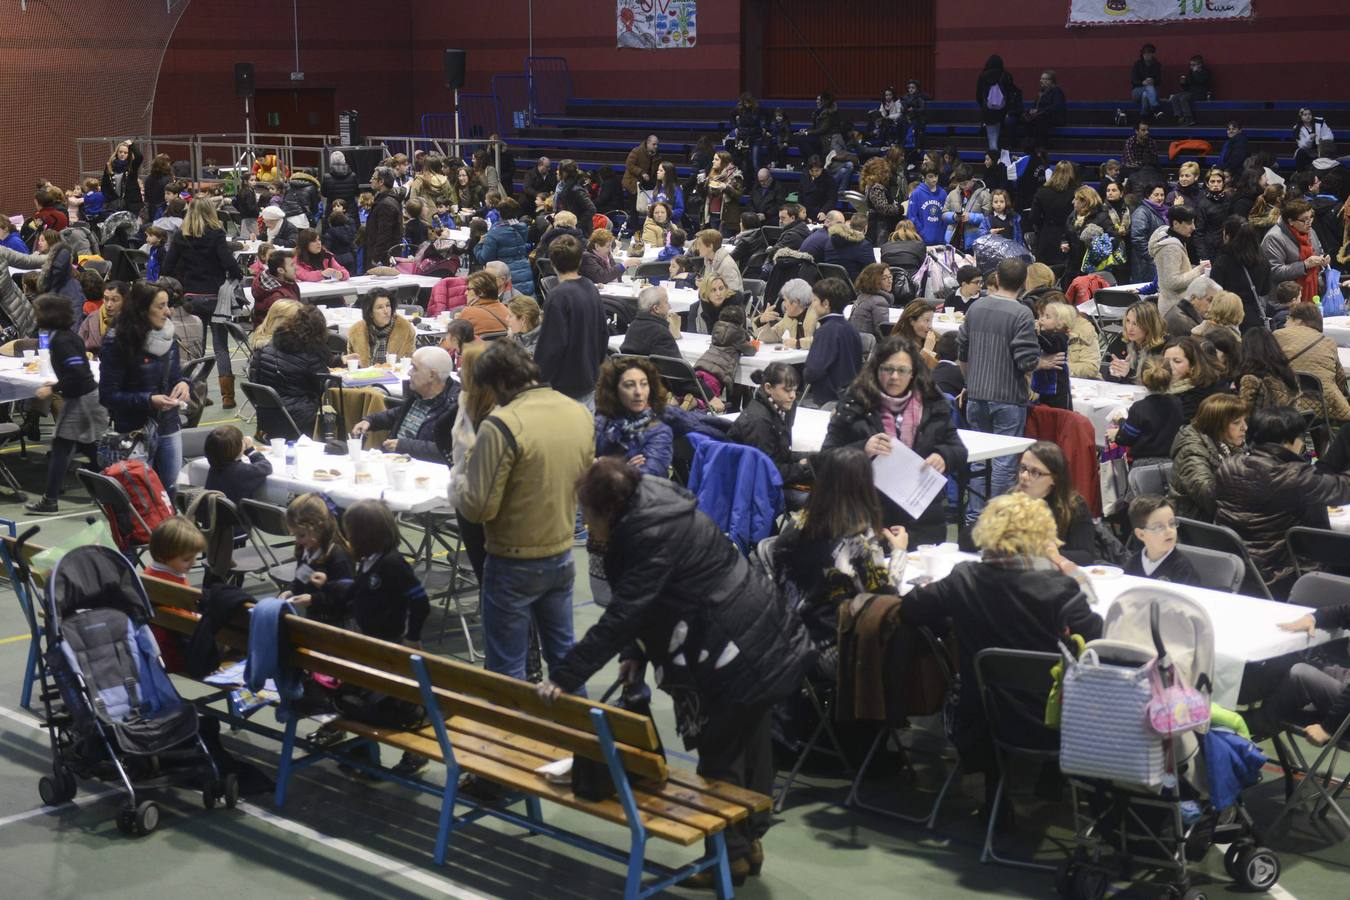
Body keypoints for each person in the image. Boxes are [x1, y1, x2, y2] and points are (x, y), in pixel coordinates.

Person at [539, 458, 812, 885]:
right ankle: (748, 842)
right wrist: (636, 653)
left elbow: (626, 611)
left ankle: (729, 859)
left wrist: (564, 676)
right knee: (753, 747)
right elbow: (654, 598)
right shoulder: (654, 502)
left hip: (732, 649)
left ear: (608, 509)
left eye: (587, 514)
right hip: (762, 632)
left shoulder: (646, 532)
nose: (585, 523)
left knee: (720, 756)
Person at [902, 491, 1101, 811]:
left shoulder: (963, 579)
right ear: (1041, 535)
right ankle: (1052, 780)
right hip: (1050, 719)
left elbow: (910, 611)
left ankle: (995, 791)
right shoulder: (1057, 587)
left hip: (979, 713)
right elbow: (1095, 634)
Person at [458, 340, 594, 680]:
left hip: (513, 562)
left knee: (508, 672)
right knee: (565, 662)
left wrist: (460, 474)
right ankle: (579, 732)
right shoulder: (577, 411)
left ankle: (516, 734)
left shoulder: (502, 424)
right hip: (561, 553)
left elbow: (478, 508)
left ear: (501, 383)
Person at [822, 335, 966, 542]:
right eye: (887, 369)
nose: (895, 377)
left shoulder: (932, 403)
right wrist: (863, 448)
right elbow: (826, 457)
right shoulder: (855, 404)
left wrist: (943, 456)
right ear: (876, 369)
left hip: (921, 516)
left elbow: (958, 450)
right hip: (868, 515)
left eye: (902, 370)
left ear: (913, 373)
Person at [1216, 405, 1350, 597]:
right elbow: (1343, 488)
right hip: (1280, 568)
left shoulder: (1229, 465)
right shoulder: (1290, 476)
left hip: (1237, 562)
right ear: (1290, 441)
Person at [958, 259, 1056, 518]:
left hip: (976, 394)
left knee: (978, 460)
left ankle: (974, 518)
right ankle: (996, 519)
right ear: (1024, 283)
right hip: (1008, 398)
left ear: (997, 280)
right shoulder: (1022, 313)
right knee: (1004, 462)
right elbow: (1025, 360)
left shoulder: (976, 308)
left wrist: (969, 383)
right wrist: (1043, 363)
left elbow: (962, 353)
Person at [99, 280, 192, 490]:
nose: (167, 312)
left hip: (168, 425)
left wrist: (184, 385)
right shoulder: (117, 341)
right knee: (140, 495)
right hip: (134, 432)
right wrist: (149, 400)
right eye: (160, 306)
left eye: (167, 305)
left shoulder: (169, 336)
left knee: (170, 490)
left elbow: (177, 376)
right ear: (142, 309)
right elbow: (107, 395)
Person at [22, 295, 109, 514]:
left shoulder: (62, 342)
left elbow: (77, 373)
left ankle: (50, 500)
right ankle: (113, 492)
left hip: (82, 400)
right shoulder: (65, 337)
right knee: (90, 449)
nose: (35, 314)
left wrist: (52, 388)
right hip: (84, 398)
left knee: (64, 448)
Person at [534, 236, 608, 410]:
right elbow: (603, 334)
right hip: (588, 378)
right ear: (580, 259)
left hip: (563, 386)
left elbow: (551, 346)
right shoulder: (591, 287)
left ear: (552, 262)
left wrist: (537, 379)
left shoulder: (558, 296)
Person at [351, 346, 460, 463]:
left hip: (422, 469)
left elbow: (450, 450)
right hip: (394, 461)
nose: (409, 372)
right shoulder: (420, 394)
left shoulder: (456, 407)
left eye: (414, 368)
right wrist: (370, 421)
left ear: (432, 375)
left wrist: (404, 445)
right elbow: (398, 414)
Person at [247, 303, 330, 439]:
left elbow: (254, 382)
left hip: (268, 421)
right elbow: (326, 387)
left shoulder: (263, 350)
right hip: (301, 420)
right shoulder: (309, 353)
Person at [729, 362, 813, 492]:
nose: (792, 396)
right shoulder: (759, 420)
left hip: (767, 479)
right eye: (787, 390)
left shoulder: (779, 408)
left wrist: (813, 458)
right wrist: (804, 467)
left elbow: (782, 455)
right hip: (753, 489)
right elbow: (768, 471)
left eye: (795, 390)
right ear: (768, 388)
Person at [1009, 441, 1095, 564]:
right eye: (1022, 468)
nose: (1024, 476)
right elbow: (974, 536)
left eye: (1035, 472)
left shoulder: (1074, 506)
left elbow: (1086, 556)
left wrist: (1051, 553)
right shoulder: (1011, 498)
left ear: (1054, 479)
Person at [1167, 392, 1248, 521]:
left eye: (1245, 420)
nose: (1245, 427)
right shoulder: (1191, 450)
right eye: (1237, 422)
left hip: (1223, 517)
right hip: (1197, 522)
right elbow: (1207, 494)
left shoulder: (1229, 442)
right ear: (1217, 424)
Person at [281, 493, 354, 627]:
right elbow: (301, 579)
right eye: (295, 535)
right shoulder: (307, 550)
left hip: (338, 624)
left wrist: (314, 600)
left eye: (301, 535)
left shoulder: (339, 556)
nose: (298, 541)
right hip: (315, 618)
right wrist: (291, 590)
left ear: (320, 527)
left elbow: (346, 598)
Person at [592, 356, 674, 477]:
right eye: (629, 385)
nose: (638, 392)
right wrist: (624, 468)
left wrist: (602, 465)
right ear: (614, 390)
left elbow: (649, 476)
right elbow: (578, 464)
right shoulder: (601, 422)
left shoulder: (659, 432)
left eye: (644, 384)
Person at [1274, 301, 1350, 423]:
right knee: (1324, 421)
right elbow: (1339, 378)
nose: (1285, 323)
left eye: (1288, 318)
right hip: (1325, 405)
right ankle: (1323, 442)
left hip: (1287, 403)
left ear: (1299, 321)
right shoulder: (1328, 342)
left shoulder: (1277, 335)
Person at [1108, 359, 1185, 467]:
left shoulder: (1139, 408)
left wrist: (1120, 423)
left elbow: (1126, 438)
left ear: (1142, 380)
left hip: (1142, 466)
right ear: (1170, 378)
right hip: (1173, 463)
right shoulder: (1177, 403)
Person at [802, 277, 863, 408]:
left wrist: (805, 374)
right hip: (849, 398)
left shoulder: (826, 331)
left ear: (826, 303)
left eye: (815, 300)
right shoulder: (851, 328)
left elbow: (815, 369)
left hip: (830, 400)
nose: (812, 305)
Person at [202, 423, 273, 533]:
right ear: (238, 448)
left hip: (212, 525)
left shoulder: (214, 467)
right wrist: (250, 450)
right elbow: (266, 467)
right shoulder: (242, 472)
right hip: (236, 527)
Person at [1210, 217, 1272, 332]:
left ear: (1228, 237)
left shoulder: (1223, 262)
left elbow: (1215, 294)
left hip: (1229, 318)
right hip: (1254, 317)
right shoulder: (1262, 259)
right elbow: (1265, 290)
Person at [1264, 199, 1329, 306]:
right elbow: (1274, 271)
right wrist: (1304, 265)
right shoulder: (1274, 238)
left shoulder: (1310, 232)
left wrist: (1323, 260)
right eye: (1304, 220)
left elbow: (1319, 251)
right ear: (1290, 221)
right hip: (1285, 302)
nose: (1309, 223)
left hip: (1312, 295)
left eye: (1311, 218)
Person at [1123, 495, 1199, 585]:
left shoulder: (1183, 569)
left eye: (1172, 523)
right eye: (1159, 527)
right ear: (1141, 534)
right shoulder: (1132, 564)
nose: (1169, 531)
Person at [692, 305, 754, 412]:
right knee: (709, 399)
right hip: (718, 373)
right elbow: (750, 351)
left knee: (699, 390)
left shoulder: (716, 328)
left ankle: (687, 399)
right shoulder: (738, 333)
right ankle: (695, 403)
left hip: (703, 364)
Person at [1151, 206, 1210, 318]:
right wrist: (1198, 270)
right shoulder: (1171, 248)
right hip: (1174, 311)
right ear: (1176, 224)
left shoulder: (1176, 241)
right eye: (1189, 223)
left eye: (1193, 222)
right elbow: (1172, 282)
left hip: (1176, 308)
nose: (1193, 227)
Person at [1237, 326, 1302, 412]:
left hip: (1262, 423)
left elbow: (1245, 414)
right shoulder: (1289, 374)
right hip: (1289, 422)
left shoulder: (1250, 379)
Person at [344, 287, 413, 367]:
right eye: (380, 307)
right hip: (364, 377)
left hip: (395, 376)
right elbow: (352, 365)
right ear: (370, 313)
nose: (386, 311)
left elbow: (408, 363)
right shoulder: (356, 331)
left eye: (388, 305)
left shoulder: (405, 329)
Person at [1162, 336, 1226, 420]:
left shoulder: (1200, 395)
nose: (1169, 366)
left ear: (1192, 365)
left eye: (1177, 361)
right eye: (1165, 361)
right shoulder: (1163, 385)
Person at [1028, 162, 1077, 266]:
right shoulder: (1076, 193)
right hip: (1069, 237)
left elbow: (1033, 217)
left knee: (1045, 273)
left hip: (1047, 236)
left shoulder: (1042, 192)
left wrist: (1044, 224)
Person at [620, 285, 683, 358]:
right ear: (656, 308)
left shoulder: (632, 327)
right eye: (666, 302)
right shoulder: (661, 333)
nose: (670, 307)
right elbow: (677, 366)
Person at [755, 278, 816, 348]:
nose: (783, 304)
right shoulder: (788, 317)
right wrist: (761, 322)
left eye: (785, 300)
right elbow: (774, 336)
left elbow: (823, 340)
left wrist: (798, 343)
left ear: (796, 302)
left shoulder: (817, 315)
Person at [942, 164, 992, 252]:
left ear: (972, 179)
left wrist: (971, 217)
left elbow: (989, 218)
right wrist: (954, 217)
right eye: (960, 184)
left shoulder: (984, 195)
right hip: (953, 239)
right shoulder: (952, 194)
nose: (963, 186)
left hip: (974, 241)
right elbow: (944, 214)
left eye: (965, 184)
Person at [975, 55, 1018, 152]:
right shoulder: (1006, 75)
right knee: (1000, 133)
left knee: (992, 137)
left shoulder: (983, 76)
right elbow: (1011, 93)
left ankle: (993, 156)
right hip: (1002, 110)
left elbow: (978, 94)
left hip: (988, 111)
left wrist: (984, 106)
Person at [1129, 182, 1169, 283]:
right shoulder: (1141, 212)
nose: (1160, 198)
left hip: (1159, 259)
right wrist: (1151, 257)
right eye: (1156, 195)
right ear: (1148, 195)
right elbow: (1138, 239)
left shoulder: (1163, 211)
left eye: (1162, 195)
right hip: (1145, 264)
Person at [364, 167, 403, 268]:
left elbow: (384, 234)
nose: (370, 180)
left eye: (373, 178)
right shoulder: (386, 200)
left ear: (381, 182)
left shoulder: (386, 204)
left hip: (383, 258)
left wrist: (375, 257)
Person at [847, 263, 894, 342]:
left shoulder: (862, 296)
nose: (889, 281)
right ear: (874, 281)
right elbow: (882, 333)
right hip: (869, 348)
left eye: (890, 277)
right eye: (884, 278)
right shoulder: (879, 301)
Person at [823, 212, 875, 281]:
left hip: (832, 285)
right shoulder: (864, 245)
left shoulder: (830, 241)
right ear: (866, 227)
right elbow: (872, 270)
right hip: (854, 287)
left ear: (850, 225)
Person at [78, 280, 125, 352]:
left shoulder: (131, 322)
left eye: (114, 300)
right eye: (106, 299)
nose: (109, 304)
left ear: (125, 300)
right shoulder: (92, 318)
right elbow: (78, 343)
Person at [100, 140, 143, 216]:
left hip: (131, 204)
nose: (122, 154)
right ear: (117, 152)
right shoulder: (109, 166)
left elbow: (139, 157)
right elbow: (104, 185)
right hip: (114, 204)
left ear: (129, 154)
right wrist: (110, 199)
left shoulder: (132, 166)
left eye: (125, 153)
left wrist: (131, 145)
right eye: (120, 152)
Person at [622, 135, 661, 203]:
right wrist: (642, 172)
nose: (656, 146)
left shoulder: (657, 156)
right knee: (634, 207)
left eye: (657, 144)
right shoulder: (637, 151)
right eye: (654, 144)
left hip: (647, 183)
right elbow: (629, 165)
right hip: (633, 182)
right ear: (648, 143)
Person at [799, 156, 838, 222]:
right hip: (805, 212)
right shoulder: (804, 175)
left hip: (820, 213)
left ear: (822, 169)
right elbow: (800, 194)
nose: (814, 173)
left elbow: (832, 199)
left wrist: (824, 211)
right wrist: (801, 211)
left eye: (817, 171)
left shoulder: (829, 179)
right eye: (811, 171)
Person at [1129, 44, 1163, 120]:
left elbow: (1159, 81)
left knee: (1145, 95)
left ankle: (1143, 116)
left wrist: (1153, 81)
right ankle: (1155, 108)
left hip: (1151, 92)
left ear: (1153, 54)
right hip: (1137, 91)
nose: (1147, 55)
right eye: (1145, 53)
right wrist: (1142, 82)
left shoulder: (1157, 65)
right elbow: (1133, 80)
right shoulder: (1137, 64)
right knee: (1148, 88)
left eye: (1149, 53)